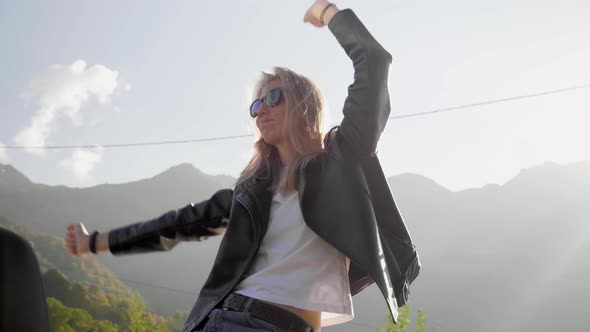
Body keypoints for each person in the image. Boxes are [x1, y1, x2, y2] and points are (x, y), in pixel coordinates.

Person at [65, 1, 421, 331]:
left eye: (273, 97)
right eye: (255, 105)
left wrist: (326, 12)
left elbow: (373, 61)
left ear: (304, 105)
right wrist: (94, 241)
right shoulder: (253, 189)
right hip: (222, 320)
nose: (261, 109)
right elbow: (178, 224)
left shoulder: (341, 158)